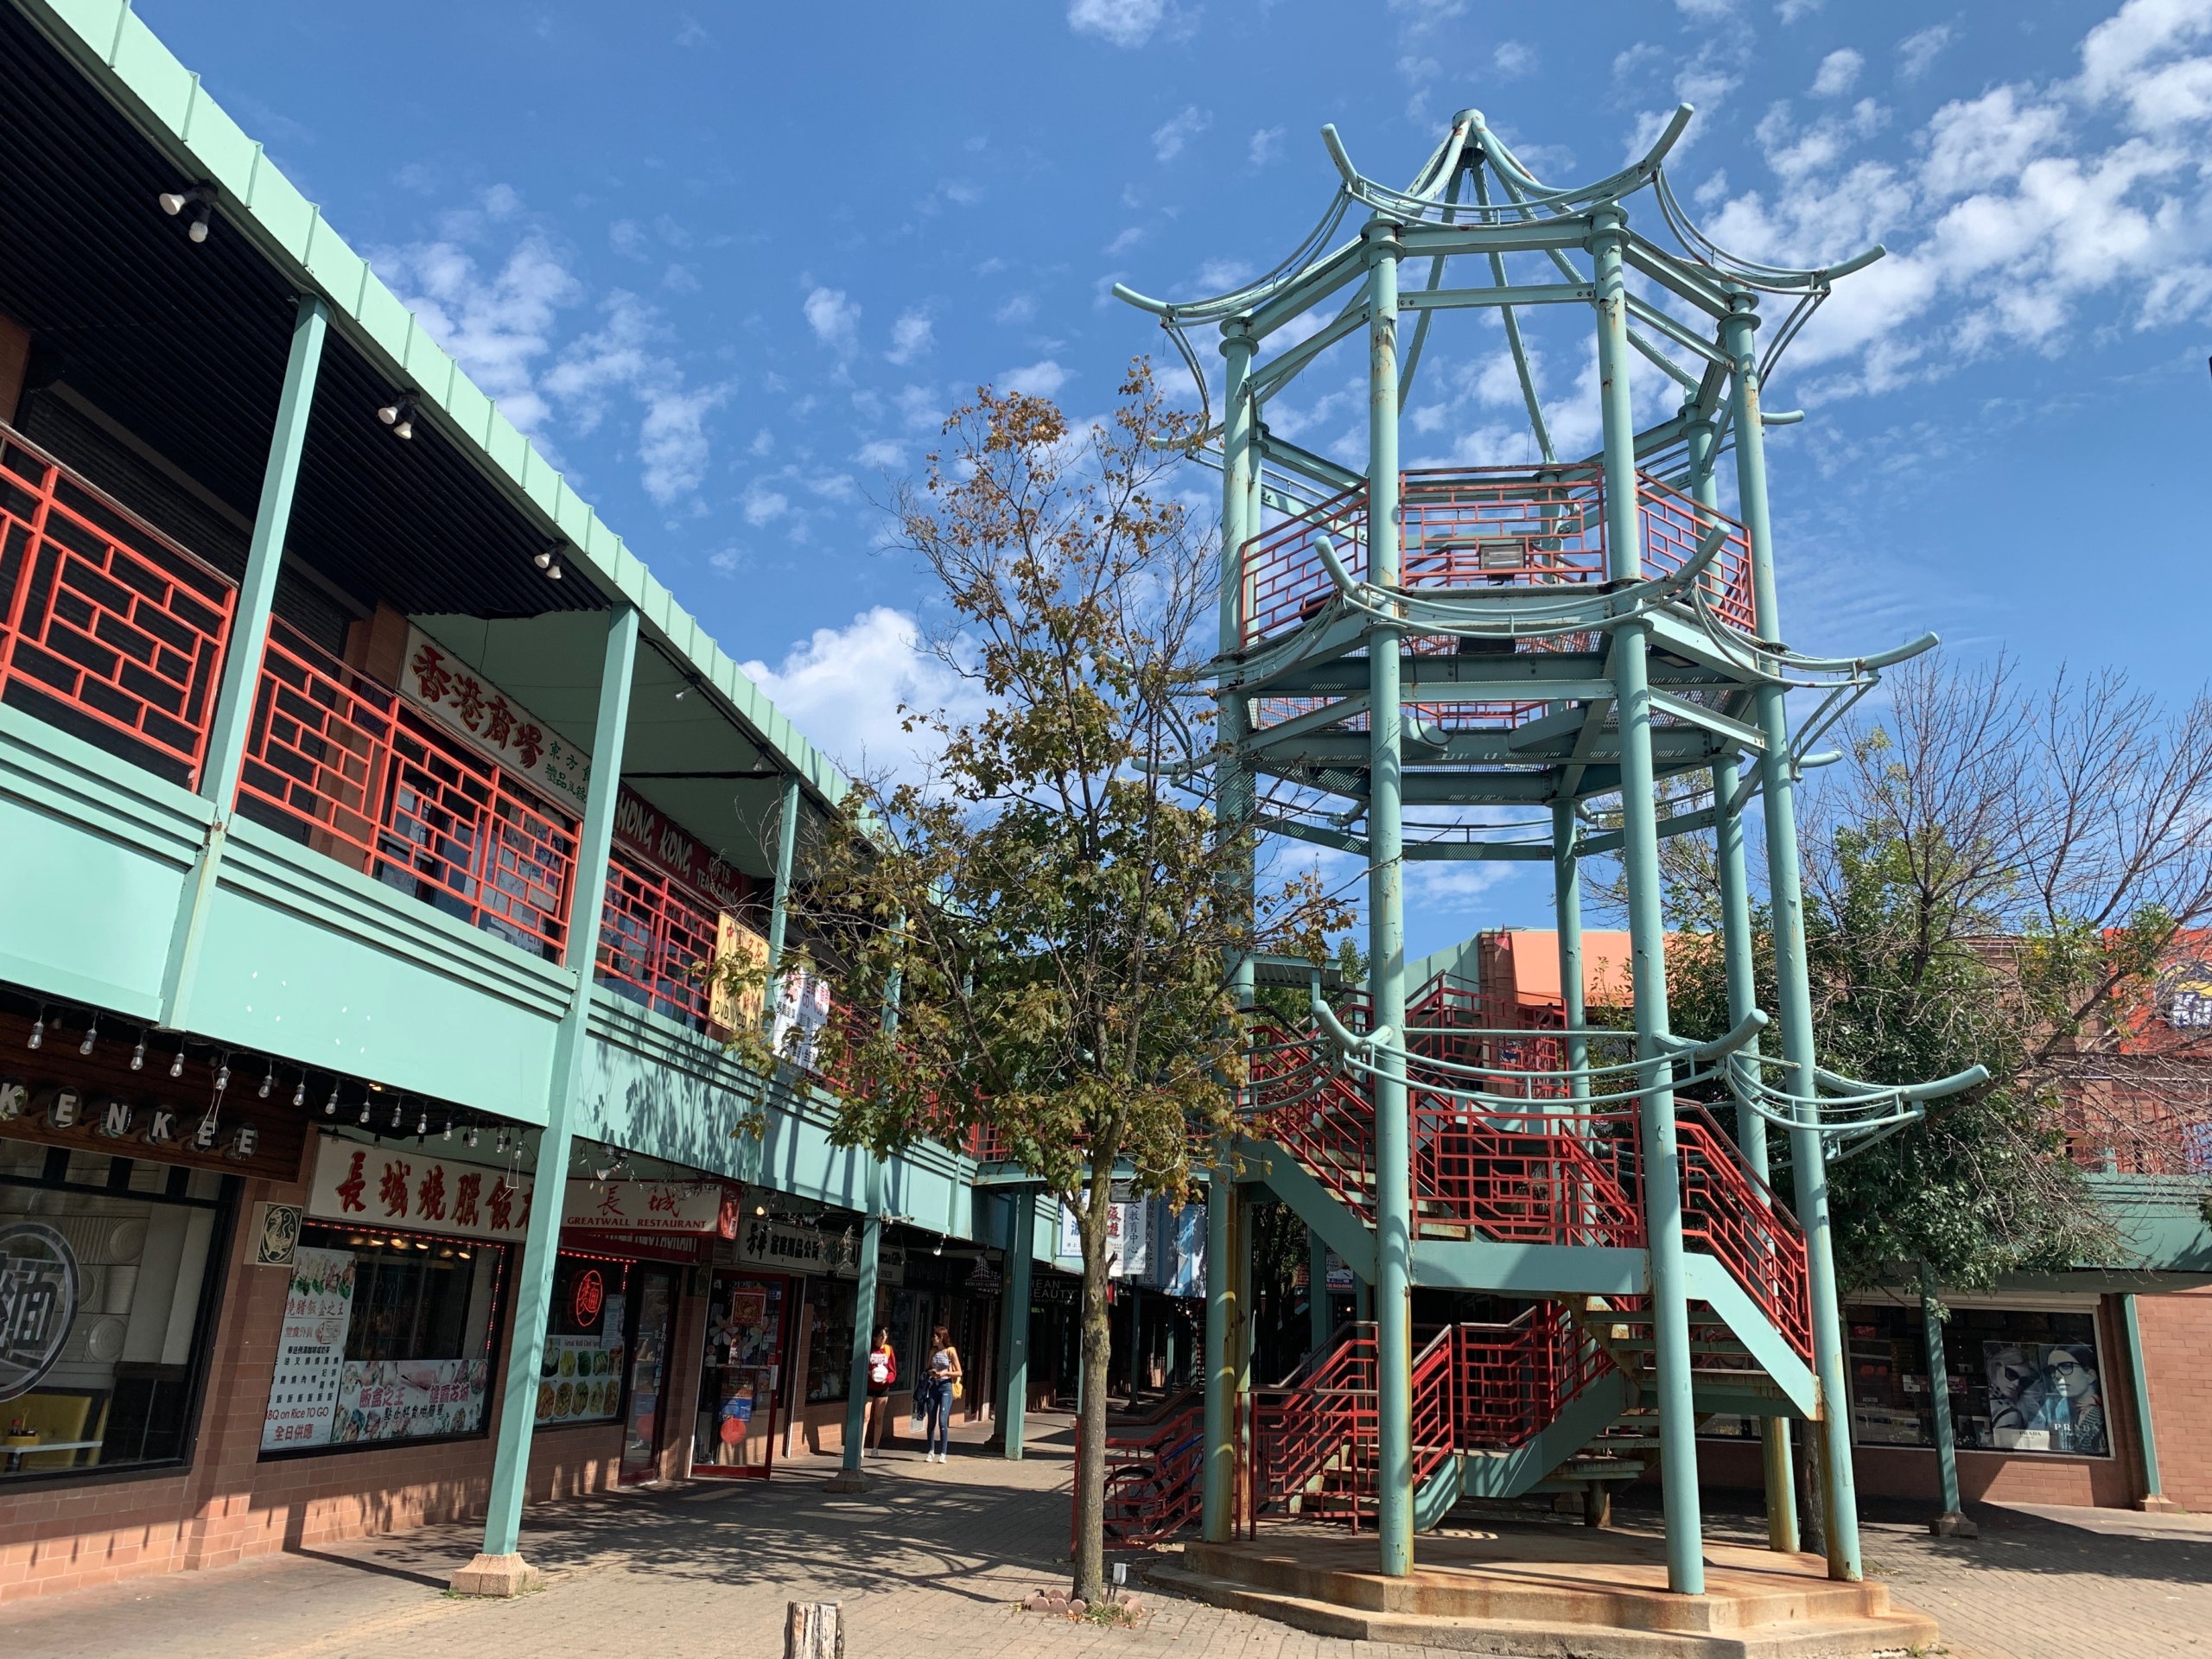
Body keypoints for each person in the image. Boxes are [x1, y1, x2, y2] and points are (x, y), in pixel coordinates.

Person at [922, 1324, 963, 1464]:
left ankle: (943, 1452)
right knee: (931, 1420)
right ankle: (930, 1450)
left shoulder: (950, 1351)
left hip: (946, 1387)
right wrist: (931, 1372)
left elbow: (959, 1372)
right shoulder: (933, 1351)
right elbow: (927, 1368)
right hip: (933, 1386)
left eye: (935, 1336)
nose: (933, 1339)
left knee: (942, 1420)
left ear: (941, 1337)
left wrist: (945, 1373)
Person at [863, 1326, 897, 1456]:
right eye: (881, 1336)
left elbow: (893, 1371)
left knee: (878, 1417)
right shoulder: (870, 1349)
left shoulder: (888, 1350)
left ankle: (875, 1448)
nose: (883, 1339)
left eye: (885, 1336)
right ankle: (860, 1447)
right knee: (866, 1416)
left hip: (882, 1388)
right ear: (875, 1337)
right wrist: (869, 1373)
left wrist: (887, 1379)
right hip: (869, 1386)